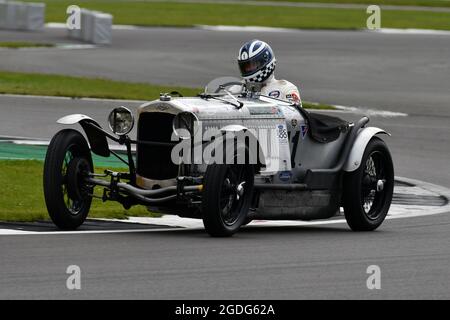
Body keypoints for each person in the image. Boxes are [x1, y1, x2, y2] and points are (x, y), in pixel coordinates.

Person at [237, 39, 301, 106]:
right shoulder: (236, 88)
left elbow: (294, 114)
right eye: (246, 66)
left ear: (265, 62)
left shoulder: (286, 89)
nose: (248, 69)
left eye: (253, 65)